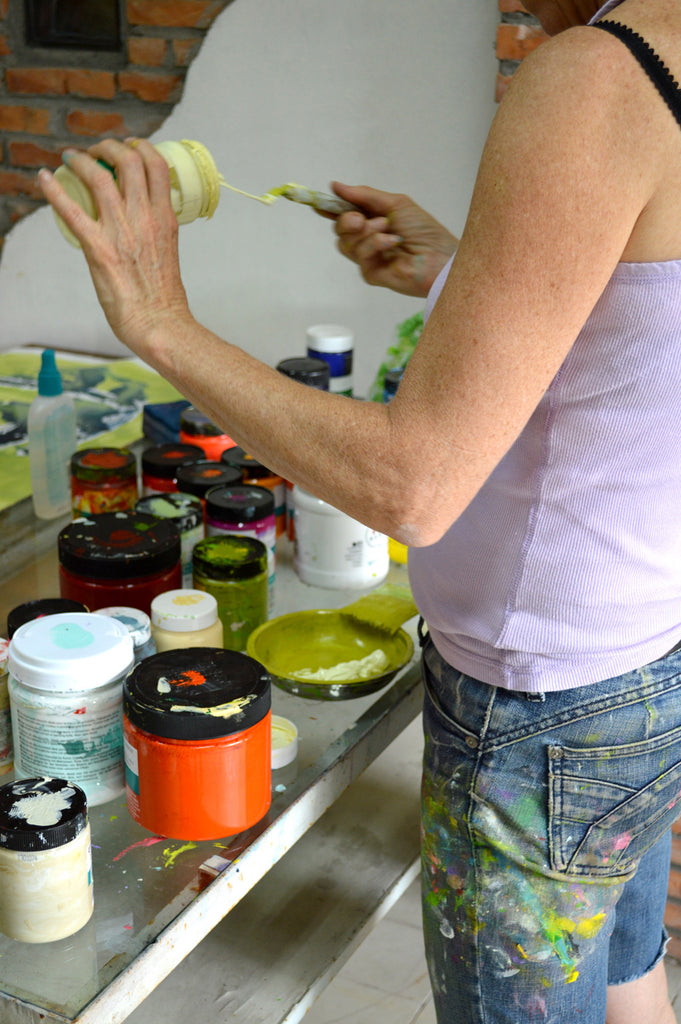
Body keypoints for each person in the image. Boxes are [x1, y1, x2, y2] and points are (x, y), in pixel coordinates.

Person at [38, 0, 681, 1020]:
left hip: (539, 708)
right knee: (629, 975)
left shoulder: (600, 76)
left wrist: (161, 321)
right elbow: (642, 329)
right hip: (642, 678)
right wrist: (464, 272)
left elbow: (411, 487)